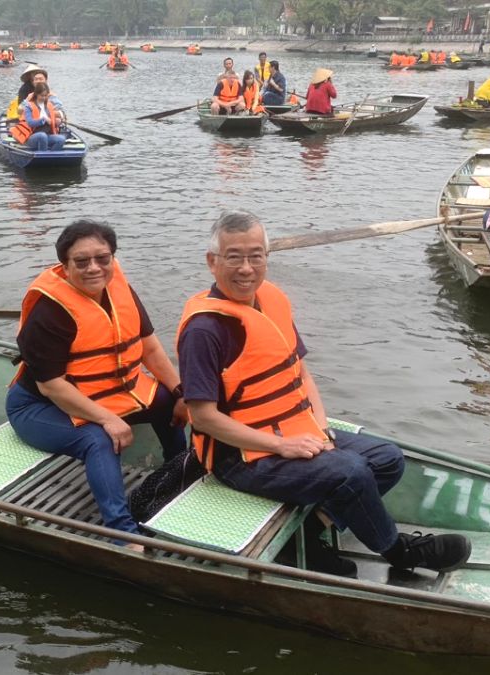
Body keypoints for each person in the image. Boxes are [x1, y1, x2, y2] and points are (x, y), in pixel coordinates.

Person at [175, 210, 472, 577]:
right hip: (239, 457)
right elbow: (202, 416)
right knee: (350, 471)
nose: (246, 268)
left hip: (291, 430)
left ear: (267, 258)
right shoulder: (205, 330)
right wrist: (281, 447)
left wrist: (319, 428)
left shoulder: (270, 301)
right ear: (212, 262)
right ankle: (401, 551)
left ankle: (309, 536)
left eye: (256, 255)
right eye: (234, 257)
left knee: (387, 458)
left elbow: (300, 373)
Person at [7, 220, 188, 546]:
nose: (94, 268)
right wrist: (108, 420)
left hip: (105, 394)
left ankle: (181, 478)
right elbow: (51, 386)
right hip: (38, 408)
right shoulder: (50, 310)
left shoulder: (120, 289)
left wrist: (180, 392)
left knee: (167, 403)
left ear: (113, 258)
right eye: (82, 261)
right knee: (98, 438)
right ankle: (121, 533)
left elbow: (149, 346)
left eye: (102, 258)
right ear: (65, 265)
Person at [11, 82, 67, 151]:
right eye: (41, 95)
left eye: (45, 95)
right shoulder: (29, 106)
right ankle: (43, 157)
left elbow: (52, 122)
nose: (44, 98)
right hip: (30, 137)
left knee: (61, 139)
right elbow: (30, 123)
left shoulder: (49, 106)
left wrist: (56, 122)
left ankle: (51, 157)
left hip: (47, 135)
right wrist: (43, 120)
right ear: (36, 94)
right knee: (42, 136)